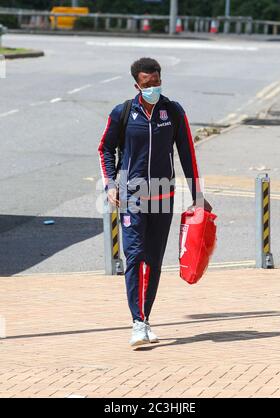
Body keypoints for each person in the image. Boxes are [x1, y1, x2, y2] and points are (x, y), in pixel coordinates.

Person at [98, 57, 212, 347]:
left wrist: (198, 195)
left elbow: (188, 155)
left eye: (158, 83)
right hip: (132, 198)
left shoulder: (173, 112)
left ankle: (145, 318)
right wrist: (111, 183)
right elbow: (105, 149)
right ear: (137, 84)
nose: (154, 88)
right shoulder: (123, 112)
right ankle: (137, 322)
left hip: (163, 198)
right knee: (134, 256)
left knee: (154, 262)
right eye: (148, 84)